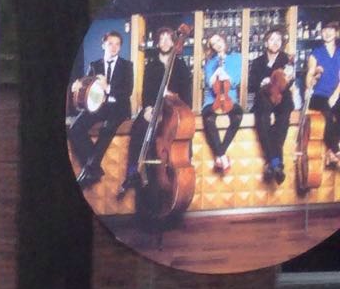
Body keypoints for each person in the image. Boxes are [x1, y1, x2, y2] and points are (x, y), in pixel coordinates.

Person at [121, 25, 193, 195]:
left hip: (173, 112)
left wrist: (173, 96)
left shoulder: (180, 66)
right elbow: (146, 92)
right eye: (162, 39)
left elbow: (187, 96)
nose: (165, 42)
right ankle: (133, 172)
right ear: (157, 43)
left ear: (174, 42)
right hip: (153, 109)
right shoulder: (151, 66)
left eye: (168, 38)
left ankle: (178, 173)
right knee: (138, 129)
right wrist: (147, 108)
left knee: (179, 136)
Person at [70, 29, 135, 187]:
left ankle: (89, 169)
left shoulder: (127, 66)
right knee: (75, 128)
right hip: (98, 107)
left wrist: (108, 88)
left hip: (119, 108)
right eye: (110, 43)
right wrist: (77, 86)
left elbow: (128, 91)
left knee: (107, 128)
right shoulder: (94, 65)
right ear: (103, 45)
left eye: (117, 44)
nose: (114, 47)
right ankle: (94, 168)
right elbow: (86, 89)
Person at [251, 27, 303, 183]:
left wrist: (287, 78)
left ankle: (271, 163)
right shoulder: (258, 62)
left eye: (278, 40)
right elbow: (252, 84)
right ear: (266, 42)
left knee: (283, 120)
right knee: (262, 120)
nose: (275, 42)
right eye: (272, 39)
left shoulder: (287, 60)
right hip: (264, 97)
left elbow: (290, 82)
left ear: (282, 43)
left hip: (282, 96)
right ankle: (276, 163)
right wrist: (264, 81)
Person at [200, 31, 243, 174]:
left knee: (238, 115)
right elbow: (209, 83)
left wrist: (225, 75)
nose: (217, 45)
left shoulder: (236, 58)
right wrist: (215, 73)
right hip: (212, 99)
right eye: (213, 44)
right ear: (212, 48)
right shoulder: (210, 63)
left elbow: (236, 80)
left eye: (218, 40)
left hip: (230, 97)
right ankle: (223, 157)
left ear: (223, 39)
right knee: (208, 117)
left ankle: (220, 154)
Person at [306, 19, 340, 169]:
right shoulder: (316, 53)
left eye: (331, 30)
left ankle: (332, 152)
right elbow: (309, 77)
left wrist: (335, 95)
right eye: (325, 30)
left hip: (335, 94)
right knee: (327, 116)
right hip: (318, 95)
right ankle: (336, 151)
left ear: (336, 32)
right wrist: (313, 76)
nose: (327, 33)